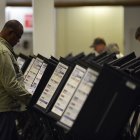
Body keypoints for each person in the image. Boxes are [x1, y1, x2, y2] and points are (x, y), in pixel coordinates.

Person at [0, 20, 31, 140]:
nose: (18, 41)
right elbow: (11, 84)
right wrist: (29, 99)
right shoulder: (3, 52)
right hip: (4, 110)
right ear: (10, 33)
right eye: (18, 37)